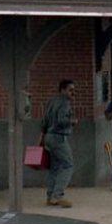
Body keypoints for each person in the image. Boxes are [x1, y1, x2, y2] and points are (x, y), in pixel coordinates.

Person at [40, 80, 77, 208]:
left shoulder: (51, 102)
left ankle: (50, 196)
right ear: (62, 90)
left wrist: (42, 136)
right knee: (68, 165)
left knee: (54, 167)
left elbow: (44, 121)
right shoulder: (64, 103)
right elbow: (62, 120)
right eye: (70, 90)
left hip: (48, 137)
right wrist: (71, 121)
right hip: (59, 137)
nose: (73, 92)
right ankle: (58, 194)